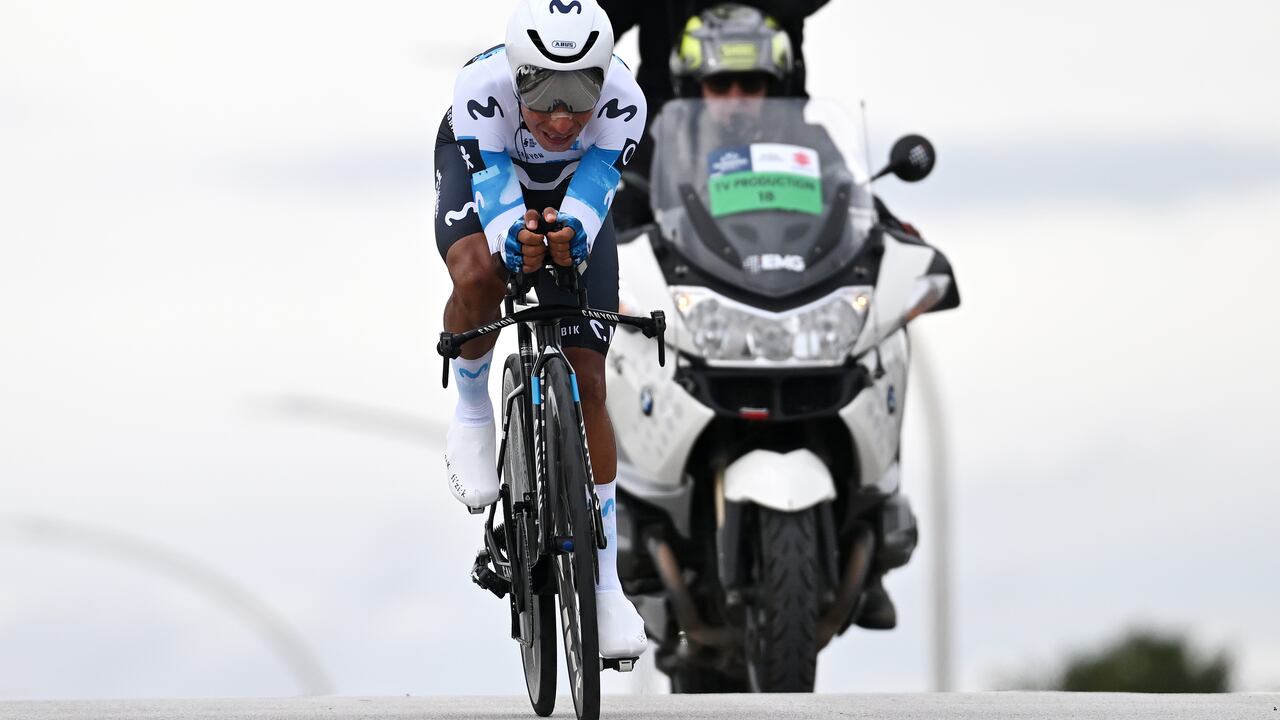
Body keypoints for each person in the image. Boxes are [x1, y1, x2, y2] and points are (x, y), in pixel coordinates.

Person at [664, 3, 913, 632]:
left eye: (754, 85)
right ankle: (625, 519)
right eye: (722, 84)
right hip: (704, 313)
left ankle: (878, 507)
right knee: (612, 342)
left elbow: (854, 197)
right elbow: (625, 204)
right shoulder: (661, 143)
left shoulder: (810, 139)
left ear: (777, 87)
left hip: (803, 312)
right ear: (695, 88)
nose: (738, 98)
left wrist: (891, 229)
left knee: (889, 334)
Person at [433, 0, 648, 659]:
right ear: (516, 76)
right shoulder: (479, 90)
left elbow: (592, 195)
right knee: (479, 277)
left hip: (571, 189)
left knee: (587, 376)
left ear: (604, 78)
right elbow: (497, 197)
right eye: (544, 93)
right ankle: (472, 410)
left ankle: (608, 588)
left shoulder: (627, 103)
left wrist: (570, 234)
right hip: (488, 175)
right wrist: (514, 242)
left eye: (579, 94)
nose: (560, 117)